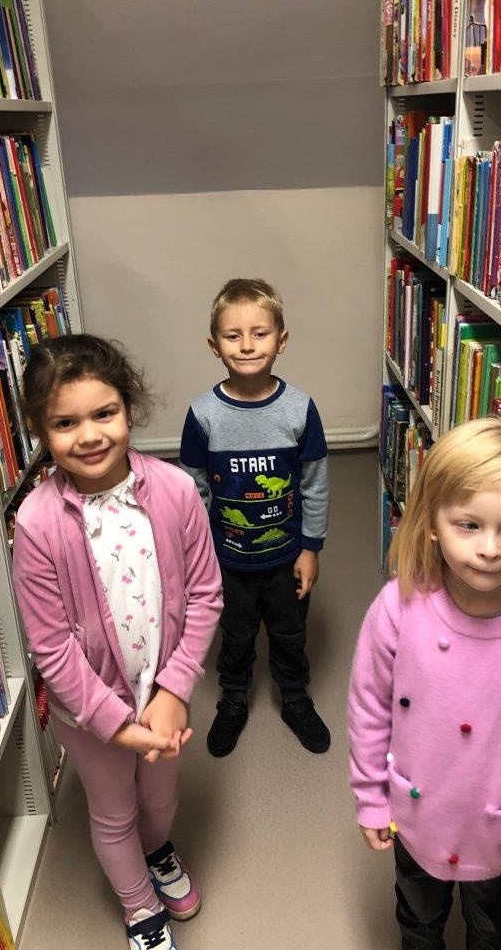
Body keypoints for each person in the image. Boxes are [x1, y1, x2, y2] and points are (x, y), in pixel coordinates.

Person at [12, 334, 222, 950]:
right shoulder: (37, 522)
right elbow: (52, 648)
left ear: (129, 408)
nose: (89, 435)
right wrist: (116, 725)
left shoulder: (176, 490)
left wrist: (174, 691)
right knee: (113, 811)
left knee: (159, 798)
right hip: (88, 714)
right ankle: (138, 907)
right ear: (39, 430)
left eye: (104, 413)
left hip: (162, 695)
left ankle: (157, 851)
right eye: (64, 423)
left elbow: (206, 594)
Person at [348, 417, 501, 947]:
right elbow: (369, 708)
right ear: (433, 522)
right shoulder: (397, 608)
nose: (490, 548)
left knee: (494, 934)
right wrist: (370, 795)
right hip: (416, 819)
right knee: (418, 922)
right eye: (469, 525)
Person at [179, 278, 330, 756]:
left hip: (286, 556)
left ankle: (295, 697)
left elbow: (315, 484)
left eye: (259, 333)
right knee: (236, 634)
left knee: (290, 632)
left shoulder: (300, 409)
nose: (247, 345)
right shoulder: (203, 415)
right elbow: (193, 492)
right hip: (228, 560)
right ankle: (233, 699)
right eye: (233, 335)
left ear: (281, 341)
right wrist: (201, 558)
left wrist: (311, 548)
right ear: (214, 346)